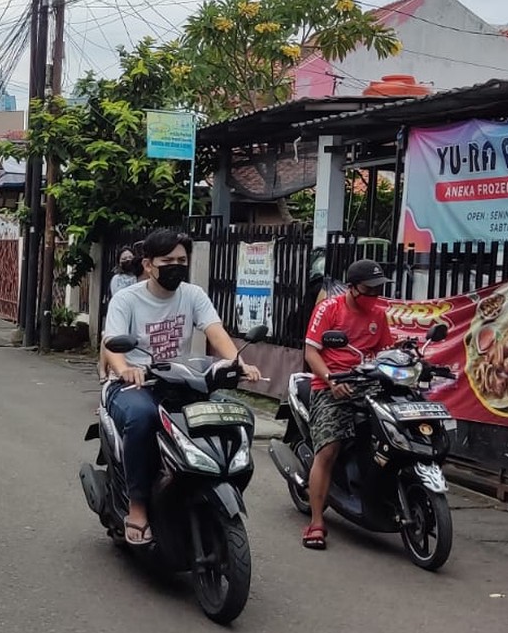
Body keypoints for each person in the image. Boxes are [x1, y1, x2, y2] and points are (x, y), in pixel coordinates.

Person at [101, 228, 262, 546]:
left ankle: (215, 487)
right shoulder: (126, 299)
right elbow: (111, 344)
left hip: (182, 382)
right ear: (148, 265)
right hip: (134, 386)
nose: (176, 265)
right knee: (143, 418)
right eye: (167, 260)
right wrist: (125, 370)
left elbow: (215, 332)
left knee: (238, 416)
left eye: (181, 260)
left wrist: (238, 364)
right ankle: (138, 506)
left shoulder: (193, 295)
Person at [301, 258, 393, 550]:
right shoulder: (329, 308)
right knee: (328, 449)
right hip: (331, 386)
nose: (375, 296)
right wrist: (330, 380)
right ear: (352, 289)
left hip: (367, 386)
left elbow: (385, 353)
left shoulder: (379, 315)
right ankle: (316, 521)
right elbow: (311, 353)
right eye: (370, 290)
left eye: (379, 290)